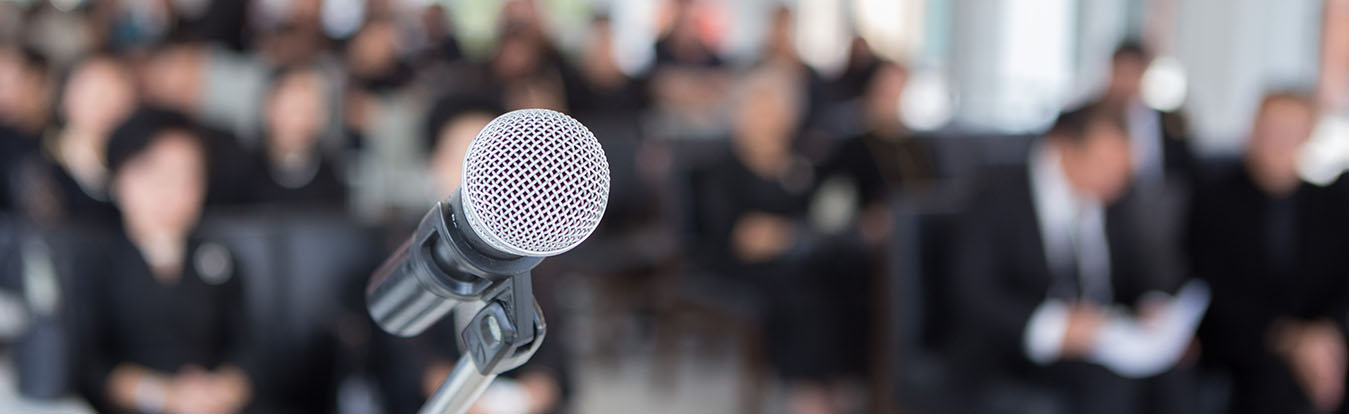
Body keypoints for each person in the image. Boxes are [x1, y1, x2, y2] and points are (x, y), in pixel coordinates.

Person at [950, 105, 1190, 414]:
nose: (1116, 183)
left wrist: (1151, 303)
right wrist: (1056, 328)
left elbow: (1137, 272)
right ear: (1063, 148)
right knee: (1111, 383)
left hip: (1104, 340)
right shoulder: (997, 194)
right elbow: (974, 291)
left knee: (1173, 372)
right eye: (1104, 166)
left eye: (1123, 172)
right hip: (1019, 348)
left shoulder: (1113, 196)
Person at [78, 107, 254, 413]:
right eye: (153, 173)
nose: (172, 191)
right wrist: (166, 396)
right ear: (119, 179)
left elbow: (247, 347)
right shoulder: (95, 261)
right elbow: (89, 365)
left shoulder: (218, 257)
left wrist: (225, 390)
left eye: (187, 176)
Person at [1189, 91, 1349, 414]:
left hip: (1320, 337)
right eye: (1271, 128)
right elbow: (1216, 289)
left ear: (1308, 135)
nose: (1278, 140)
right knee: (1275, 381)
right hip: (1244, 341)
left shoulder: (1332, 205)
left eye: (1290, 130)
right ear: (1252, 129)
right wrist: (1291, 340)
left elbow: (1342, 283)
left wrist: (1328, 335)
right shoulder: (1213, 200)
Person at [1096, 41, 1194, 189]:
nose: (1125, 83)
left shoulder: (1171, 121)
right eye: (1120, 73)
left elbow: (1185, 170)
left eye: (1132, 73)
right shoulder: (1092, 120)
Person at [247, 63, 346, 207]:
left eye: (307, 110)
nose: (298, 120)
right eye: (290, 109)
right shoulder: (239, 176)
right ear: (268, 109)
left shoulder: (337, 177)